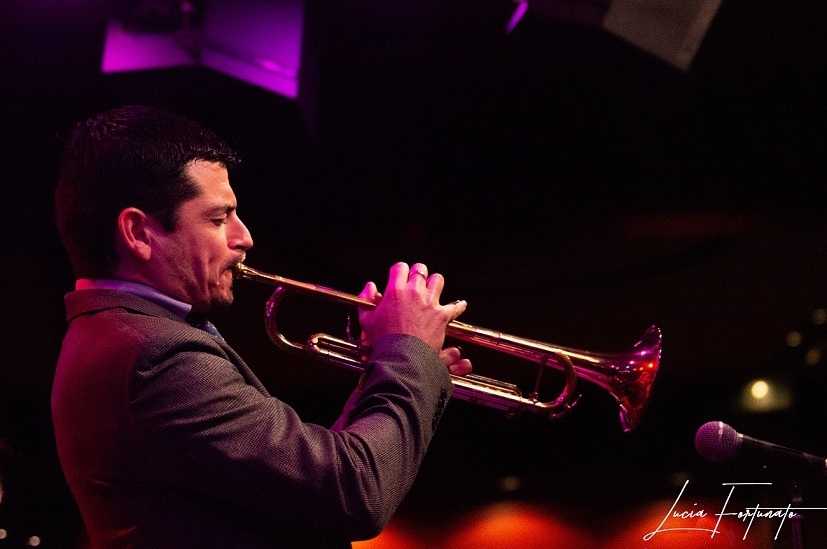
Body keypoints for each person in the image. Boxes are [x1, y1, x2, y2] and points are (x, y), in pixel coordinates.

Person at [51, 105, 471, 548]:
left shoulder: (114, 338)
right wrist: (407, 351)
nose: (244, 237)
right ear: (138, 232)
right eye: (218, 218)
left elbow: (306, 496)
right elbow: (355, 493)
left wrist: (396, 368)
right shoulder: (155, 357)